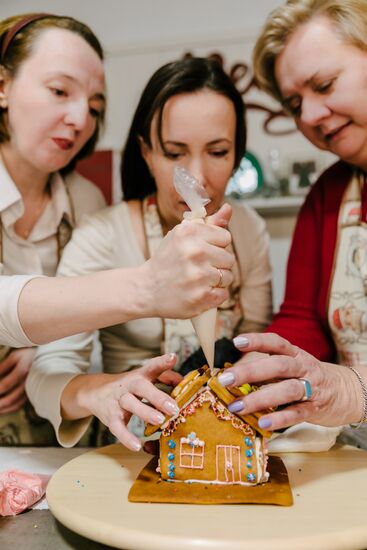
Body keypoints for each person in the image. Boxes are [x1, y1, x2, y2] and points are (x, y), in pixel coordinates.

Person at [0, 15, 234, 445]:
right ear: (3, 86)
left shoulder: (84, 199)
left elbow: (66, 332)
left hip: (41, 439)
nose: (79, 119)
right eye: (58, 91)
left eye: (94, 107)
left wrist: (37, 347)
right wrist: (147, 286)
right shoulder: (105, 228)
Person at [27, 57, 273, 451]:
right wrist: (102, 391)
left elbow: (258, 345)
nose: (198, 178)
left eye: (218, 152)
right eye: (175, 154)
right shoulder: (103, 235)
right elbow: (43, 379)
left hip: (228, 438)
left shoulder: (250, 230)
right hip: (131, 449)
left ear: (237, 155)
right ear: (146, 153)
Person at [218, 0, 367, 433]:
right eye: (293, 104)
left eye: (324, 85)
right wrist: (262, 365)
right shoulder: (329, 196)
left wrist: (350, 391)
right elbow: (304, 321)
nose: (310, 116)